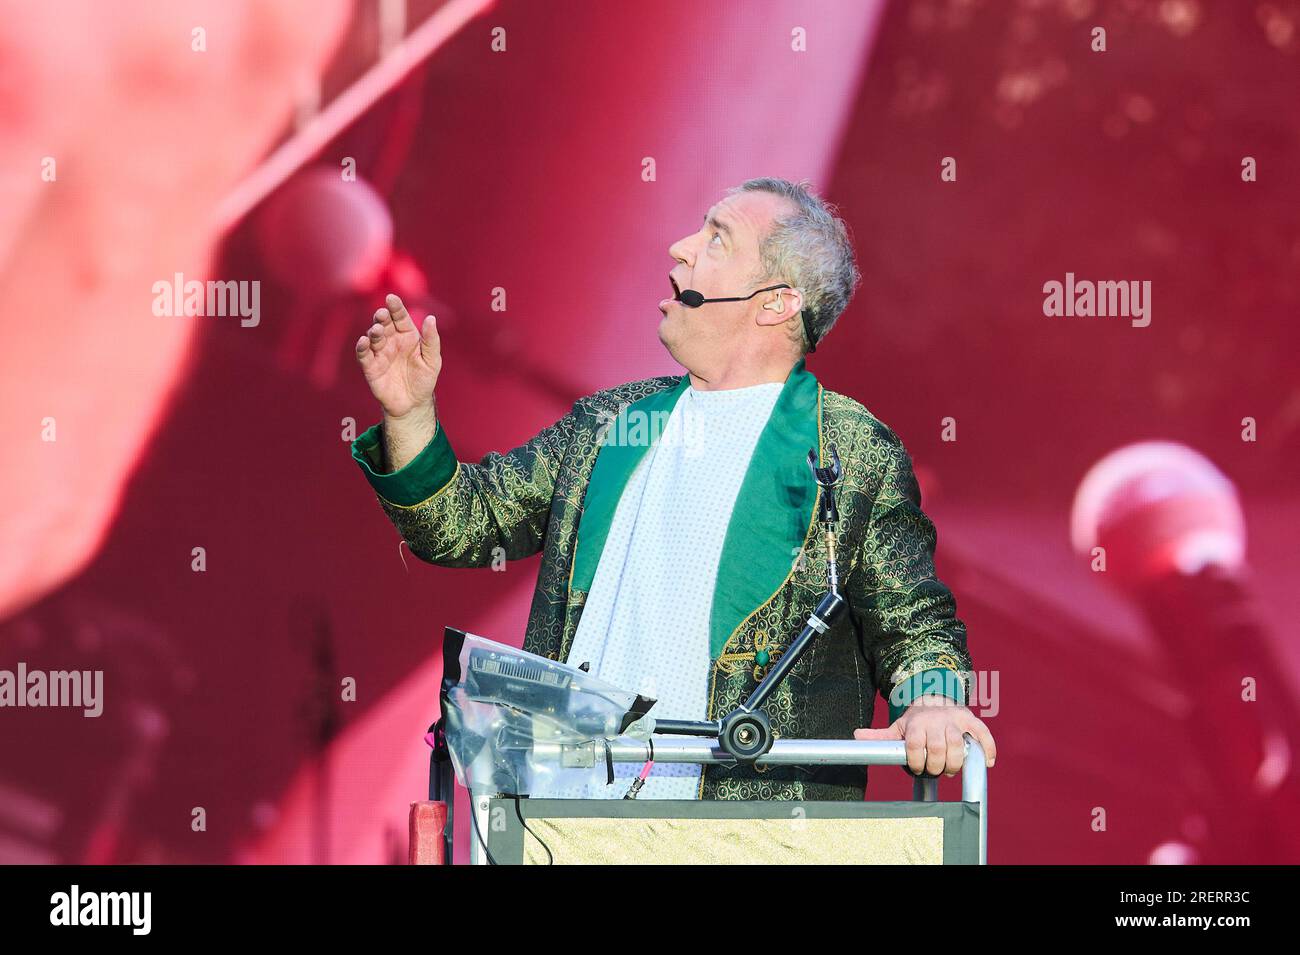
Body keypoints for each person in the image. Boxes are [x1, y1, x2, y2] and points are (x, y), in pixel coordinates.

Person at [351, 177, 995, 800]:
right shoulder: (614, 425)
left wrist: (933, 703)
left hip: (739, 842)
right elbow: (461, 522)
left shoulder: (850, 449)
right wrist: (409, 417)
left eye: (717, 238)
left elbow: (915, 623)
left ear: (777, 300)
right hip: (561, 828)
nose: (680, 248)